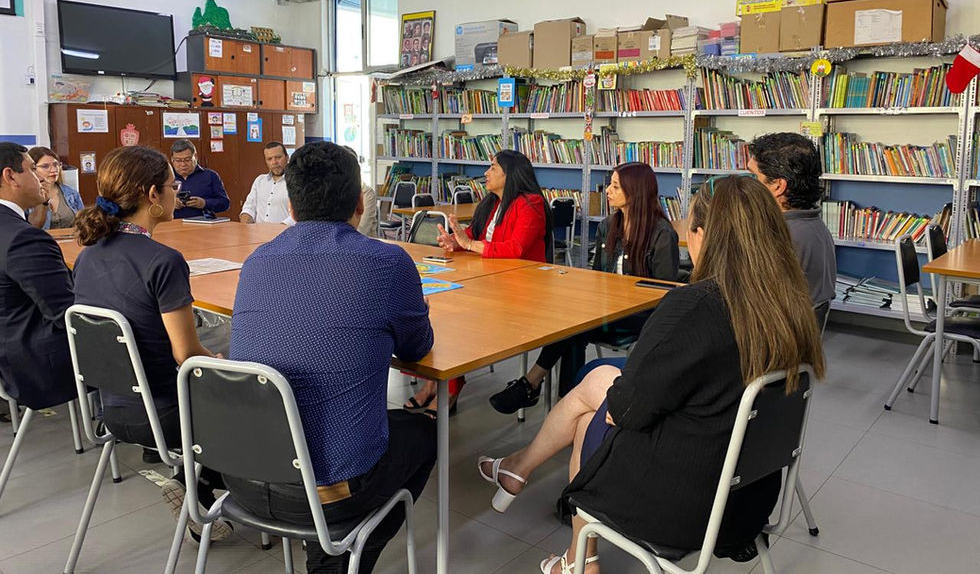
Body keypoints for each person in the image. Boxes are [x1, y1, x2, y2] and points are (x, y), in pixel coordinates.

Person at [477, 176, 826, 574]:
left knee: (590, 412)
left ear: (703, 235)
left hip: (683, 509)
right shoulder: (790, 308)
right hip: (746, 503)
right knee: (598, 382)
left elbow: (624, 412)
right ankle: (530, 489)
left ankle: (572, 548)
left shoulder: (696, 306)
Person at [228, 142, 435, 574]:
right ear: (361, 203)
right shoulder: (386, 262)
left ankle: (331, 552)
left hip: (241, 474)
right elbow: (417, 348)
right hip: (330, 490)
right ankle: (340, 557)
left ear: (290, 204)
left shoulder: (256, 262)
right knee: (425, 432)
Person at [72, 145, 230, 540]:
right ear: (151, 196)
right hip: (166, 416)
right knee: (248, 384)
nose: (178, 193)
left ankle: (193, 480)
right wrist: (220, 359)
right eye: (172, 186)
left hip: (114, 409)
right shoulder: (163, 260)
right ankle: (207, 488)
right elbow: (187, 355)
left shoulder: (88, 256)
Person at [489, 162, 679, 412]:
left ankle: (536, 385)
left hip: (642, 316)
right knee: (572, 326)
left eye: (615, 186)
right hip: (607, 309)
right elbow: (598, 277)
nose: (607, 191)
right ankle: (564, 402)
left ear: (637, 192)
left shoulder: (661, 234)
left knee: (575, 327)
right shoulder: (608, 225)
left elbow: (664, 294)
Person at [404, 150, 553, 417]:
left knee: (456, 318)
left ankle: (448, 388)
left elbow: (516, 248)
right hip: (490, 283)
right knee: (437, 309)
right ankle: (434, 384)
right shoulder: (491, 204)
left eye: (493, 168)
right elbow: (472, 237)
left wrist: (470, 244)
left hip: (521, 291)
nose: (486, 173)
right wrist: (455, 242)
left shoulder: (530, 203)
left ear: (511, 174)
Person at [0, 142, 76, 415]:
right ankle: (127, 427)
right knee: (141, 340)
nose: (41, 177)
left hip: (11, 346)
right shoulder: (24, 237)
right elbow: (66, 315)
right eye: (33, 169)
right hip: (35, 365)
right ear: (10, 177)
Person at [747, 132, 836, 308]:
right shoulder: (815, 228)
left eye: (752, 177)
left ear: (778, 186)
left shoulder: (777, 237)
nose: (747, 185)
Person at [25, 146, 84, 229]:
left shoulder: (72, 193)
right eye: (45, 166)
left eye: (56, 165)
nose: (54, 170)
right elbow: (27, 230)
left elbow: (83, 223)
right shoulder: (25, 197)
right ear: (32, 169)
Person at [169, 139, 230, 219]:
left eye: (187, 160)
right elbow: (152, 203)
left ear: (196, 157)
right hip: (172, 224)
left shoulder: (210, 176)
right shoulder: (165, 178)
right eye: (178, 160)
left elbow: (225, 203)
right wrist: (170, 203)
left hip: (203, 224)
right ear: (172, 160)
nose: (183, 164)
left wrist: (205, 203)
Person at [240, 141, 290, 223]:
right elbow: (249, 207)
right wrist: (245, 224)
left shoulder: (298, 181)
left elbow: (299, 215)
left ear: (287, 158)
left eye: (278, 157)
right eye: (269, 159)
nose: (274, 162)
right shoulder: (259, 181)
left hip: (285, 233)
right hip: (258, 233)